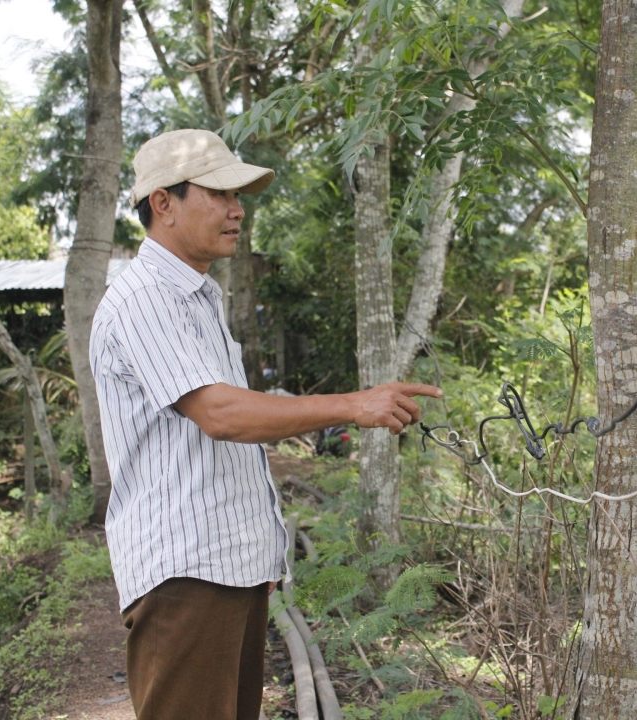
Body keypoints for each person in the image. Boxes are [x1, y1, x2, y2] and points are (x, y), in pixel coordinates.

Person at [90, 129, 441, 720]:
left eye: (239, 195)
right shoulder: (144, 297)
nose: (237, 209)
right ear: (163, 203)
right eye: (220, 193)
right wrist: (354, 405)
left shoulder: (199, 299)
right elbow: (220, 414)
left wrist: (259, 562)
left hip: (224, 573)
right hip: (186, 577)